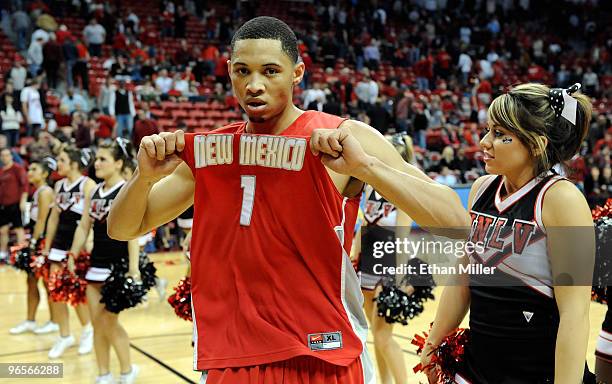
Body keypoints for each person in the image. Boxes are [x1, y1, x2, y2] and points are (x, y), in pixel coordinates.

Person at [108, 16, 466, 384]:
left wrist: (368, 167)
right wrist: (143, 178)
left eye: (270, 71)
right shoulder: (211, 150)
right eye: (243, 71)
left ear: (297, 73)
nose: (254, 85)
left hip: (324, 352)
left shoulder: (341, 135)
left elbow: (455, 219)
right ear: (229, 71)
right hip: (233, 356)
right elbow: (122, 228)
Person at [414, 84, 593, 383]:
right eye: (488, 130)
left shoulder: (561, 200)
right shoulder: (481, 189)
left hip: (536, 374)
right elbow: (463, 279)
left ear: (536, 144)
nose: (484, 142)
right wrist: (433, 346)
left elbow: (576, 314)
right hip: (476, 370)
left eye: (499, 134)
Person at [69, 139, 140, 384]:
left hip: (117, 266)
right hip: (95, 266)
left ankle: (127, 370)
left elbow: (133, 232)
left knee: (109, 321)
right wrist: (73, 253)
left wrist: (133, 269)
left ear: (118, 163)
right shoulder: (92, 191)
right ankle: (103, 374)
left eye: (103, 159)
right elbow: (83, 226)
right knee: (98, 324)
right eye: (96, 159)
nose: (96, 163)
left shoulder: (126, 189)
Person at [355, 135, 415, 384]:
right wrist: (353, 256)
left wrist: (400, 277)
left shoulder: (404, 189)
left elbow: (402, 235)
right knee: (375, 333)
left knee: (383, 334)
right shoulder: (369, 186)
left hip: (390, 263)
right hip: (367, 261)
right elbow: (364, 225)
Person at [42, 146, 95, 359]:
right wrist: (46, 245)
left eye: (62, 160)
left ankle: (87, 329)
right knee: (55, 289)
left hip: (77, 245)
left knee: (76, 292)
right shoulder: (58, 185)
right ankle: (64, 335)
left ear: (74, 164)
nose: (58, 164)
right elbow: (54, 217)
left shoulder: (87, 184)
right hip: (58, 242)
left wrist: (85, 246)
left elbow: (88, 220)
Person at [9, 157, 58, 335]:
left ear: (45, 174)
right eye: (29, 170)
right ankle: (30, 320)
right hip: (37, 240)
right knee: (31, 281)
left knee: (46, 283)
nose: (29, 173)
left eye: (34, 170)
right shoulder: (37, 192)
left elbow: (42, 221)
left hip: (44, 242)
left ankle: (55, 321)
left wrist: (34, 243)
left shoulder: (45, 192)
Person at [0, 148, 28, 262]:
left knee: (18, 229)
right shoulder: (1, 171)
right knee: (2, 230)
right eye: (2, 155)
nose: (5, 157)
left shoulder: (17, 168)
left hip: (15, 203)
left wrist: (23, 200)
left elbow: (24, 184)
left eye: (7, 155)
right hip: (3, 205)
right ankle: (2, 254)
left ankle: (22, 253)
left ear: (11, 156)